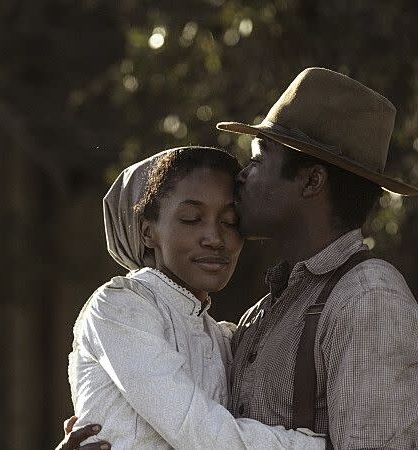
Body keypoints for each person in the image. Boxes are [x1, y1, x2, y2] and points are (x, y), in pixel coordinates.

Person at [62, 67, 418, 449]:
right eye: (192, 218)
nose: (242, 176)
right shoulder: (259, 318)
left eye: (258, 161)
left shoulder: (368, 299)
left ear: (311, 181)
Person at [65, 146, 326, 449]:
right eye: (191, 218)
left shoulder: (223, 340)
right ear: (148, 232)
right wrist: (318, 446)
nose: (214, 238)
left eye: (229, 222)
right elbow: (197, 429)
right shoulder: (120, 307)